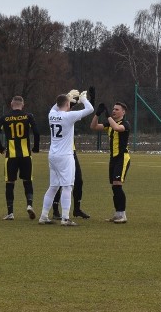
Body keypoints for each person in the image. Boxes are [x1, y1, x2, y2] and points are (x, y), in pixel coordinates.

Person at [38, 89, 94, 226]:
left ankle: (43, 216)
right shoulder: (68, 116)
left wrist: (66, 97)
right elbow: (90, 109)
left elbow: (55, 106)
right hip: (65, 156)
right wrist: (83, 99)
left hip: (53, 155)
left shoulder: (52, 114)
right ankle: (65, 218)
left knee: (53, 187)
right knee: (68, 187)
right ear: (68, 105)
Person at [0, 95, 40, 221]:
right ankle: (29, 205)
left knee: (10, 183)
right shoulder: (28, 116)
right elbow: (36, 132)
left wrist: (1, 148)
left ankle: (10, 213)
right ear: (22, 105)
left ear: (11, 104)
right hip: (25, 155)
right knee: (27, 181)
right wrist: (35, 147)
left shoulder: (5, 118)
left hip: (11, 156)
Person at [90, 100, 131, 224]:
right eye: (113, 109)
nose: (114, 111)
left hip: (122, 157)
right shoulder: (110, 122)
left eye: (117, 109)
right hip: (113, 158)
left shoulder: (125, 123)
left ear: (123, 112)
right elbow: (93, 127)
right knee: (114, 187)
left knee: (118, 185)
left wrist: (107, 115)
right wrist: (97, 114)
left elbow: (117, 128)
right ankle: (117, 214)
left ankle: (123, 214)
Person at [51, 147, 88, 219]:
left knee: (78, 181)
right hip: (62, 151)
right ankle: (55, 211)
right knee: (59, 183)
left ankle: (77, 209)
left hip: (70, 151)